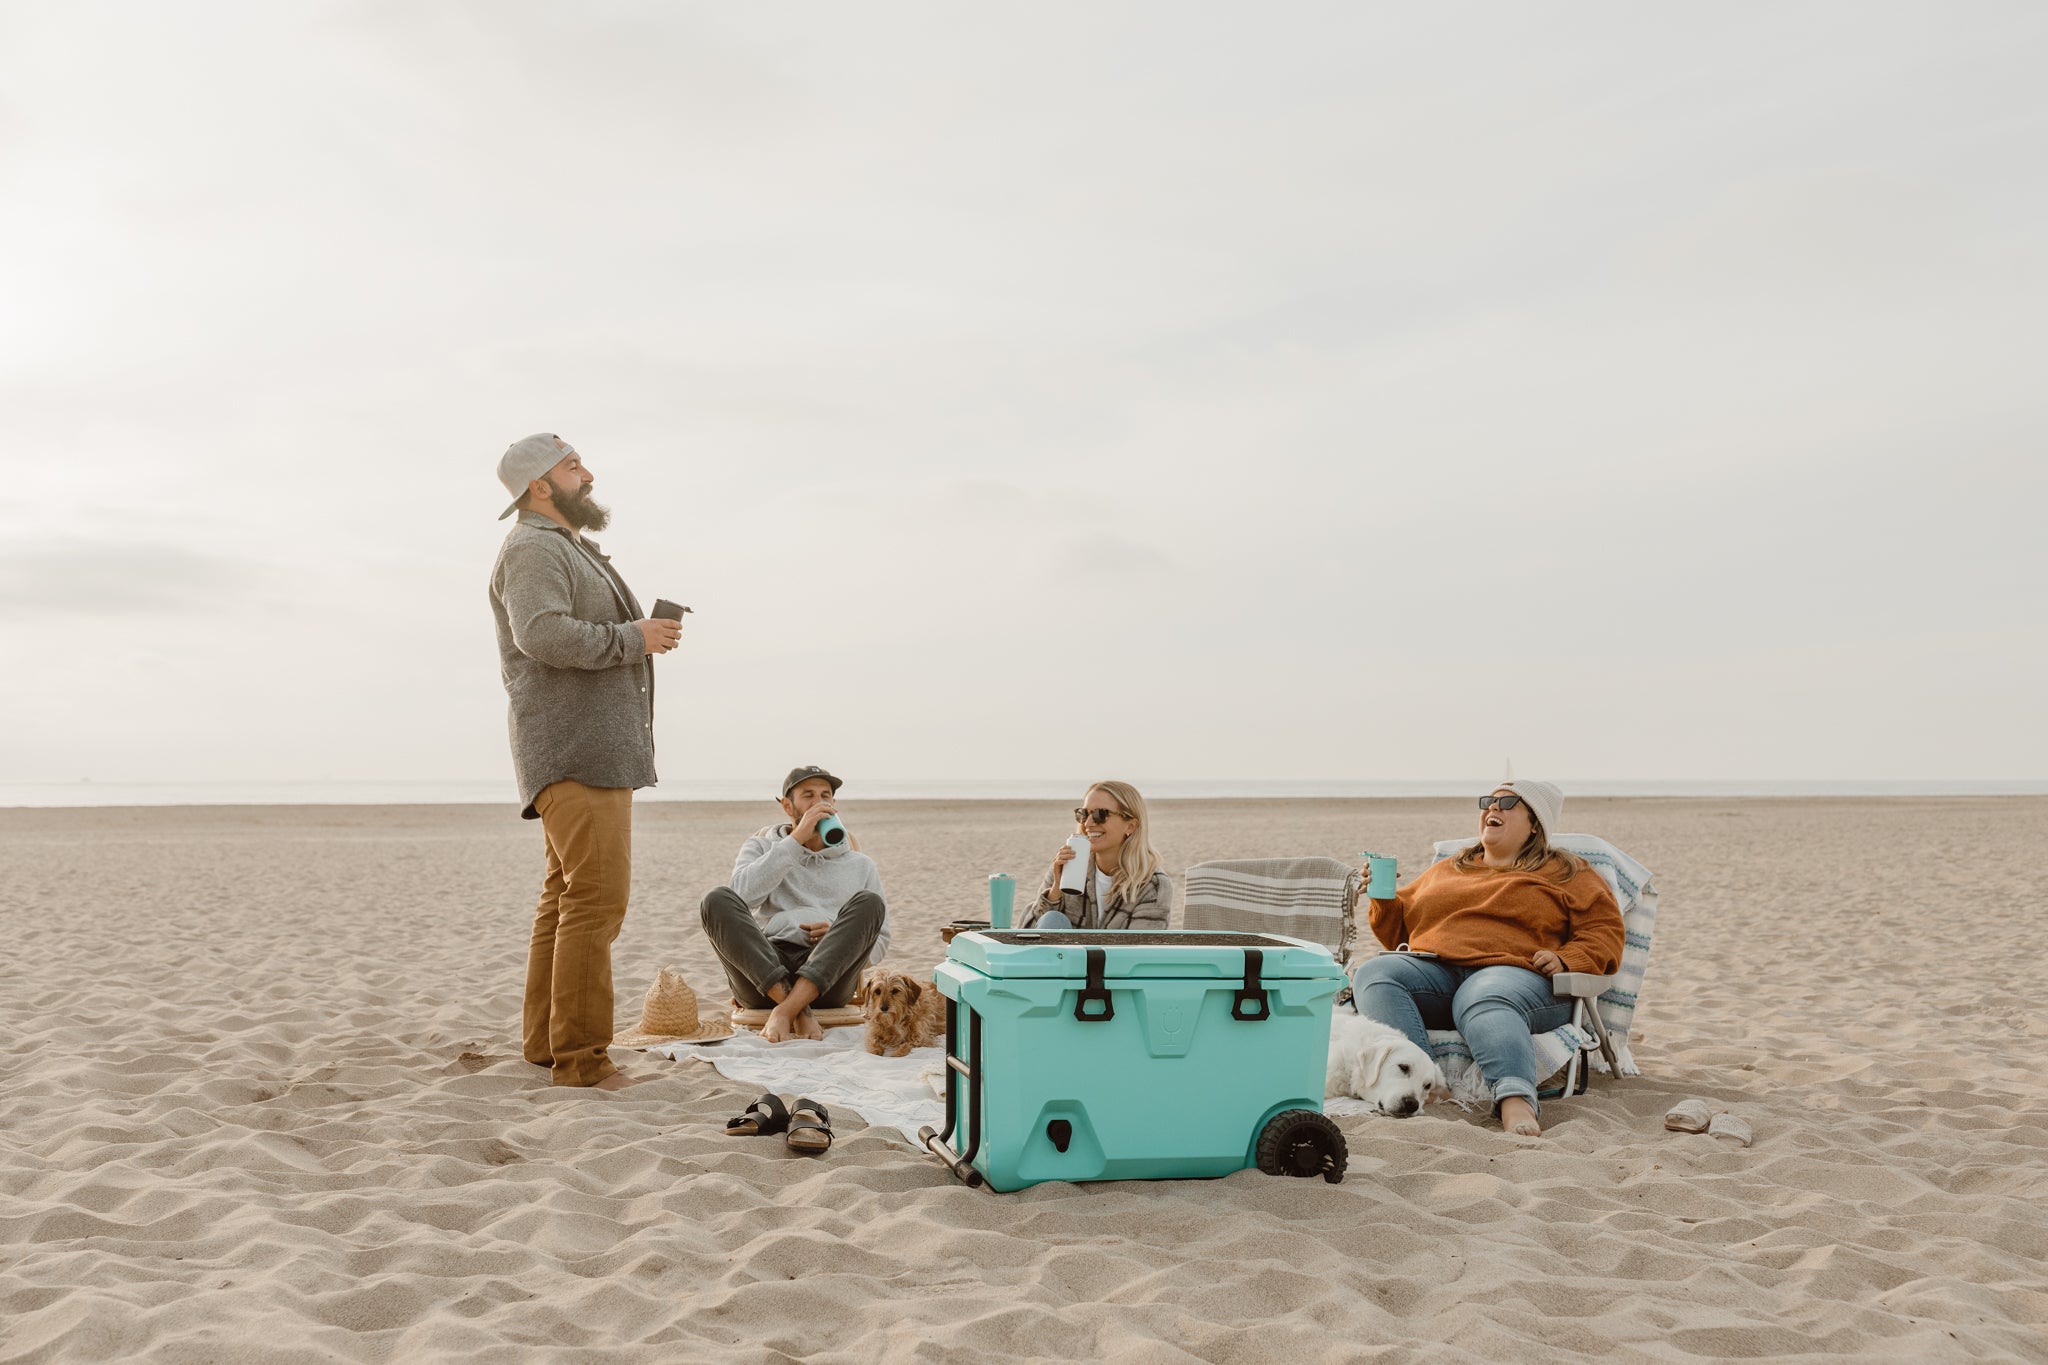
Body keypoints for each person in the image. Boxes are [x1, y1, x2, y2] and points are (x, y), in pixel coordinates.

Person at [489, 433, 682, 1092]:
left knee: (567, 898)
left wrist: (638, 638)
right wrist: (635, 637)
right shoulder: (533, 547)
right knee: (597, 902)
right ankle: (583, 1059)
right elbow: (540, 633)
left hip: (584, 749)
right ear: (539, 485)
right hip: (577, 750)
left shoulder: (558, 545)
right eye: (573, 466)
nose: (588, 474)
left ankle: (548, 1044)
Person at [1349, 779, 1623, 1138]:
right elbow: (1401, 932)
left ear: (1535, 822)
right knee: (1375, 972)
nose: (1492, 809)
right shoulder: (1451, 867)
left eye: (1507, 803)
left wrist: (1569, 958)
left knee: (1482, 994)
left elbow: (1605, 929)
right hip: (1438, 972)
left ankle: (1515, 1100)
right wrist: (1384, 899)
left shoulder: (1567, 871)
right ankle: (1426, 1083)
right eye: (1487, 802)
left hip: (1518, 979)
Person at [700, 766, 890, 1043]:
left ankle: (787, 1010)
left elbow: (882, 939)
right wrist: (796, 840)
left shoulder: (860, 865)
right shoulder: (761, 847)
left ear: (834, 805)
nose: (819, 802)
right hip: (764, 974)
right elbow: (740, 898)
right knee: (715, 899)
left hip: (828, 976)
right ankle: (799, 1012)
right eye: (808, 795)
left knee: (870, 903)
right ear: (788, 806)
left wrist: (837, 935)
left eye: (825, 796)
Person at [1019, 780, 1173, 930]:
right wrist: (1055, 892)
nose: (1088, 823)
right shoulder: (1065, 867)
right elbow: (1025, 935)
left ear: (1131, 826)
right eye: (1084, 814)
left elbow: (1142, 950)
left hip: (1115, 956)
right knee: (1052, 919)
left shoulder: (1152, 885)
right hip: (1061, 956)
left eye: (1100, 814)